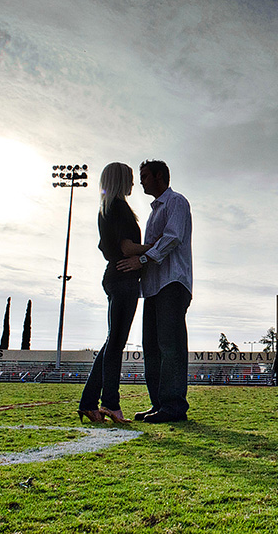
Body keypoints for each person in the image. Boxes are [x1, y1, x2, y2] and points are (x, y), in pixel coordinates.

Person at [117, 159, 193, 423]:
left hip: (172, 283)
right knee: (152, 347)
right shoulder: (153, 213)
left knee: (170, 346)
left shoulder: (177, 202)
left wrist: (142, 259)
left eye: (146, 176)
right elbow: (153, 245)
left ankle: (174, 406)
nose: (141, 181)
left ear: (160, 176)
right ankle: (159, 403)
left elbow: (172, 238)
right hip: (152, 288)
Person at [77, 162, 152, 424]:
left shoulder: (106, 208)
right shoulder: (119, 208)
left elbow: (106, 246)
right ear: (120, 180)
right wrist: (155, 247)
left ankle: (88, 403)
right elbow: (127, 247)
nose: (133, 184)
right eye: (130, 179)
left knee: (113, 343)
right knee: (115, 343)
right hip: (123, 278)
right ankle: (109, 402)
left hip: (115, 277)